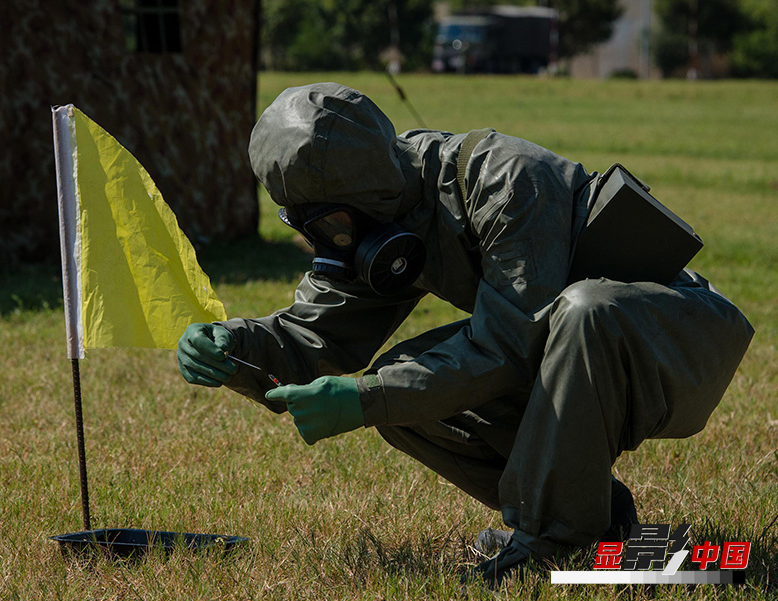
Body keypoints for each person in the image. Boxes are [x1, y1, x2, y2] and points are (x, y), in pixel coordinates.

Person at [175, 83, 754, 586]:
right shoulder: (385, 223)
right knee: (406, 383)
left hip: (681, 339)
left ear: (372, 192)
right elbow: (307, 339)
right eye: (308, 230)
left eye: (332, 225)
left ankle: (553, 539)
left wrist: (365, 397)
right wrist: (233, 347)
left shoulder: (503, 179)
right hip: (572, 354)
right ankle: (595, 531)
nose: (330, 246)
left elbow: (508, 344)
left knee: (583, 309)